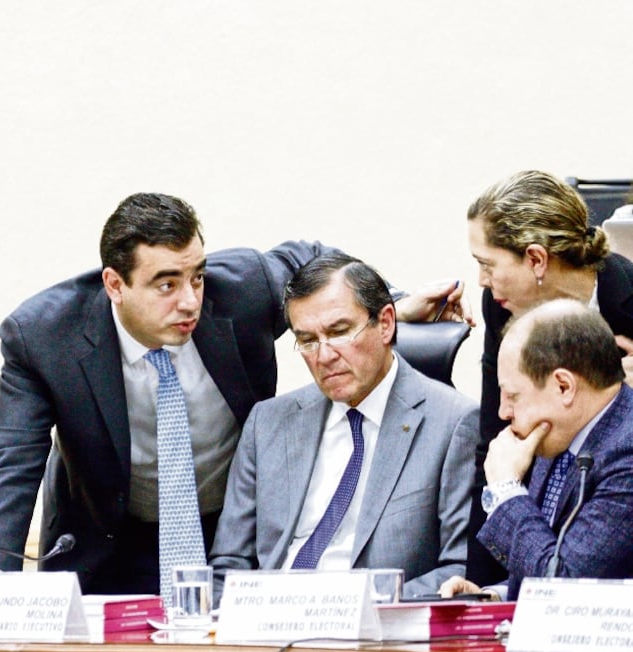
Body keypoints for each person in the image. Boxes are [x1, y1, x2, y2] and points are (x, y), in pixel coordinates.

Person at [0, 192, 467, 598]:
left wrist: (394, 301)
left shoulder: (243, 289)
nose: (190, 301)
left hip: (229, 539)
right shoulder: (45, 336)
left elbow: (316, 260)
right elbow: (12, 458)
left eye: (197, 276)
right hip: (111, 544)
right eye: (166, 284)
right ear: (115, 285)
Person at [208, 254, 479, 601]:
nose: (323, 356)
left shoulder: (454, 423)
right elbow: (230, 563)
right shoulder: (268, 423)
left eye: (339, 332)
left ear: (385, 323)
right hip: (267, 628)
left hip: (372, 632)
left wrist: (354, 605)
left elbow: (460, 568)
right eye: (307, 340)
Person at [465, 169, 633, 586]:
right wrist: (485, 591)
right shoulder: (501, 304)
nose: (482, 281)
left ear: (537, 259)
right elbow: (496, 438)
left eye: (487, 265)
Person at [442, 299, 633, 601]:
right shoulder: (558, 432)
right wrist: (497, 596)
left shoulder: (627, 451)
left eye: (512, 396)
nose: (503, 412)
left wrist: (506, 490)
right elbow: (549, 555)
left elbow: (564, 590)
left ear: (563, 387)